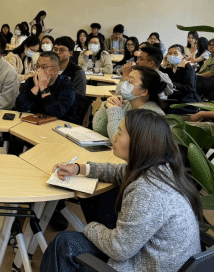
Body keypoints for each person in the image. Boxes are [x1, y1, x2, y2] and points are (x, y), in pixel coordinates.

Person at [41, 110, 202, 272]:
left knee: (64, 243)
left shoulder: (147, 191)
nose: (114, 137)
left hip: (145, 264)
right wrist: (79, 168)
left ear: (139, 142)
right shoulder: (161, 169)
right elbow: (118, 172)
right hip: (158, 259)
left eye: (119, 132)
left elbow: (119, 249)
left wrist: (90, 227)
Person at [93, 66, 166, 138]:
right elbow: (98, 129)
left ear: (143, 91)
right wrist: (107, 106)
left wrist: (114, 111)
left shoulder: (151, 116)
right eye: (126, 79)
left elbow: (118, 140)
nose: (125, 83)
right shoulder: (127, 105)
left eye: (130, 81)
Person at [15, 52, 77, 122]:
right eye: (37, 66)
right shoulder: (31, 81)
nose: (39, 70)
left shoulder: (67, 85)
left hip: (60, 124)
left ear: (56, 70)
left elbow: (57, 113)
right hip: (35, 121)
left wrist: (44, 89)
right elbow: (20, 107)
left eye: (44, 67)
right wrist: (36, 87)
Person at [159, 44, 200, 112]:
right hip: (174, 97)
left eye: (175, 53)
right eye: (169, 54)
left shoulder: (188, 68)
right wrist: (163, 66)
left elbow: (189, 87)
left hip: (187, 100)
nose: (172, 56)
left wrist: (172, 84)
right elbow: (161, 77)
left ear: (183, 55)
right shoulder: (170, 67)